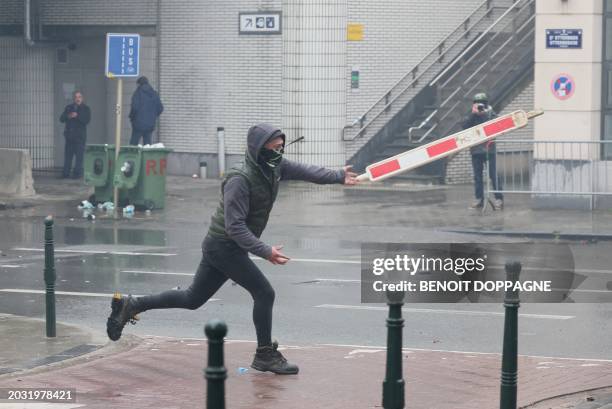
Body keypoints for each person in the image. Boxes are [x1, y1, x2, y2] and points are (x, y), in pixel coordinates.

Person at [106, 123, 359, 374]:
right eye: (275, 148)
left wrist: (338, 176)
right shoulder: (240, 178)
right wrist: (265, 250)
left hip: (224, 247)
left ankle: (133, 304)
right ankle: (264, 355)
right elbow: (234, 227)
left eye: (282, 147)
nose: (280, 153)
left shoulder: (273, 166)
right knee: (264, 293)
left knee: (193, 298)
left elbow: (306, 171)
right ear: (259, 149)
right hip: (224, 246)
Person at [462, 92, 503, 210]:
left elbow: (496, 125)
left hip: (489, 149)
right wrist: (474, 115)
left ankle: (499, 199)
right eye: (477, 103)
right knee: (477, 176)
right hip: (476, 150)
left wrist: (485, 114)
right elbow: (464, 126)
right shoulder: (471, 114)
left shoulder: (491, 113)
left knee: (494, 175)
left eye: (482, 103)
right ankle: (479, 199)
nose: (480, 106)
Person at [60, 91, 91, 179]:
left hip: (80, 137)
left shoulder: (86, 108)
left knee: (79, 157)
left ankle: (77, 174)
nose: (78, 99)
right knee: (68, 157)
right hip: (69, 137)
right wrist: (69, 116)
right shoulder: (69, 107)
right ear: (74, 98)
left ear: (82, 98)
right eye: (76, 97)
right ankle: (65, 173)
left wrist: (77, 116)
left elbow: (86, 120)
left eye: (79, 97)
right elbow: (61, 119)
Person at [128, 76, 163, 145]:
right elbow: (160, 108)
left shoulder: (137, 93)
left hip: (138, 124)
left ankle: (132, 155)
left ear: (139, 84)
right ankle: (147, 155)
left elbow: (134, 108)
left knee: (133, 144)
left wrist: (131, 117)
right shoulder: (154, 94)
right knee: (147, 145)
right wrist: (153, 116)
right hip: (150, 124)